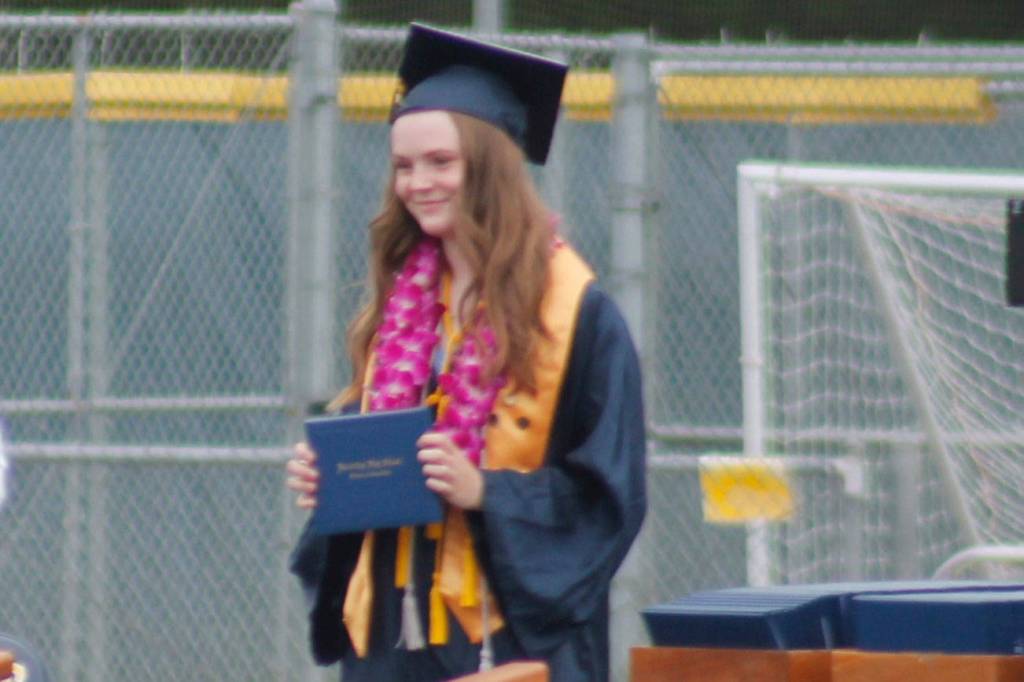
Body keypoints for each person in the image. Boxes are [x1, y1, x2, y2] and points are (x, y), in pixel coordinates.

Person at [286, 23, 646, 682]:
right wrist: (334, 475)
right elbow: (398, 437)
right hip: (393, 634)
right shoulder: (401, 308)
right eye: (402, 166)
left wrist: (486, 491)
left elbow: (609, 499)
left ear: (489, 166)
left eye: (439, 163)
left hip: (508, 637)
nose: (417, 183)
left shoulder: (578, 315)